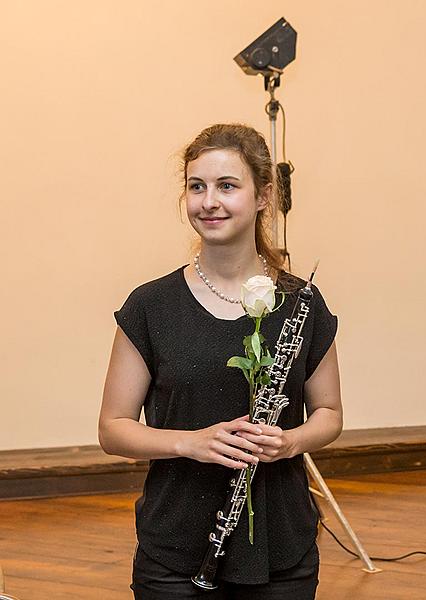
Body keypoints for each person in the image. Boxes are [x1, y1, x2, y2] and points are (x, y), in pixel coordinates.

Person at [99, 123, 342, 599]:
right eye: (197, 187)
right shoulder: (150, 307)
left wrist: (289, 441)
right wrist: (192, 443)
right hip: (175, 548)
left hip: (282, 544)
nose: (209, 201)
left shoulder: (304, 303)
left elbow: (330, 415)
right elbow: (113, 429)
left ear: (263, 196)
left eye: (227, 186)